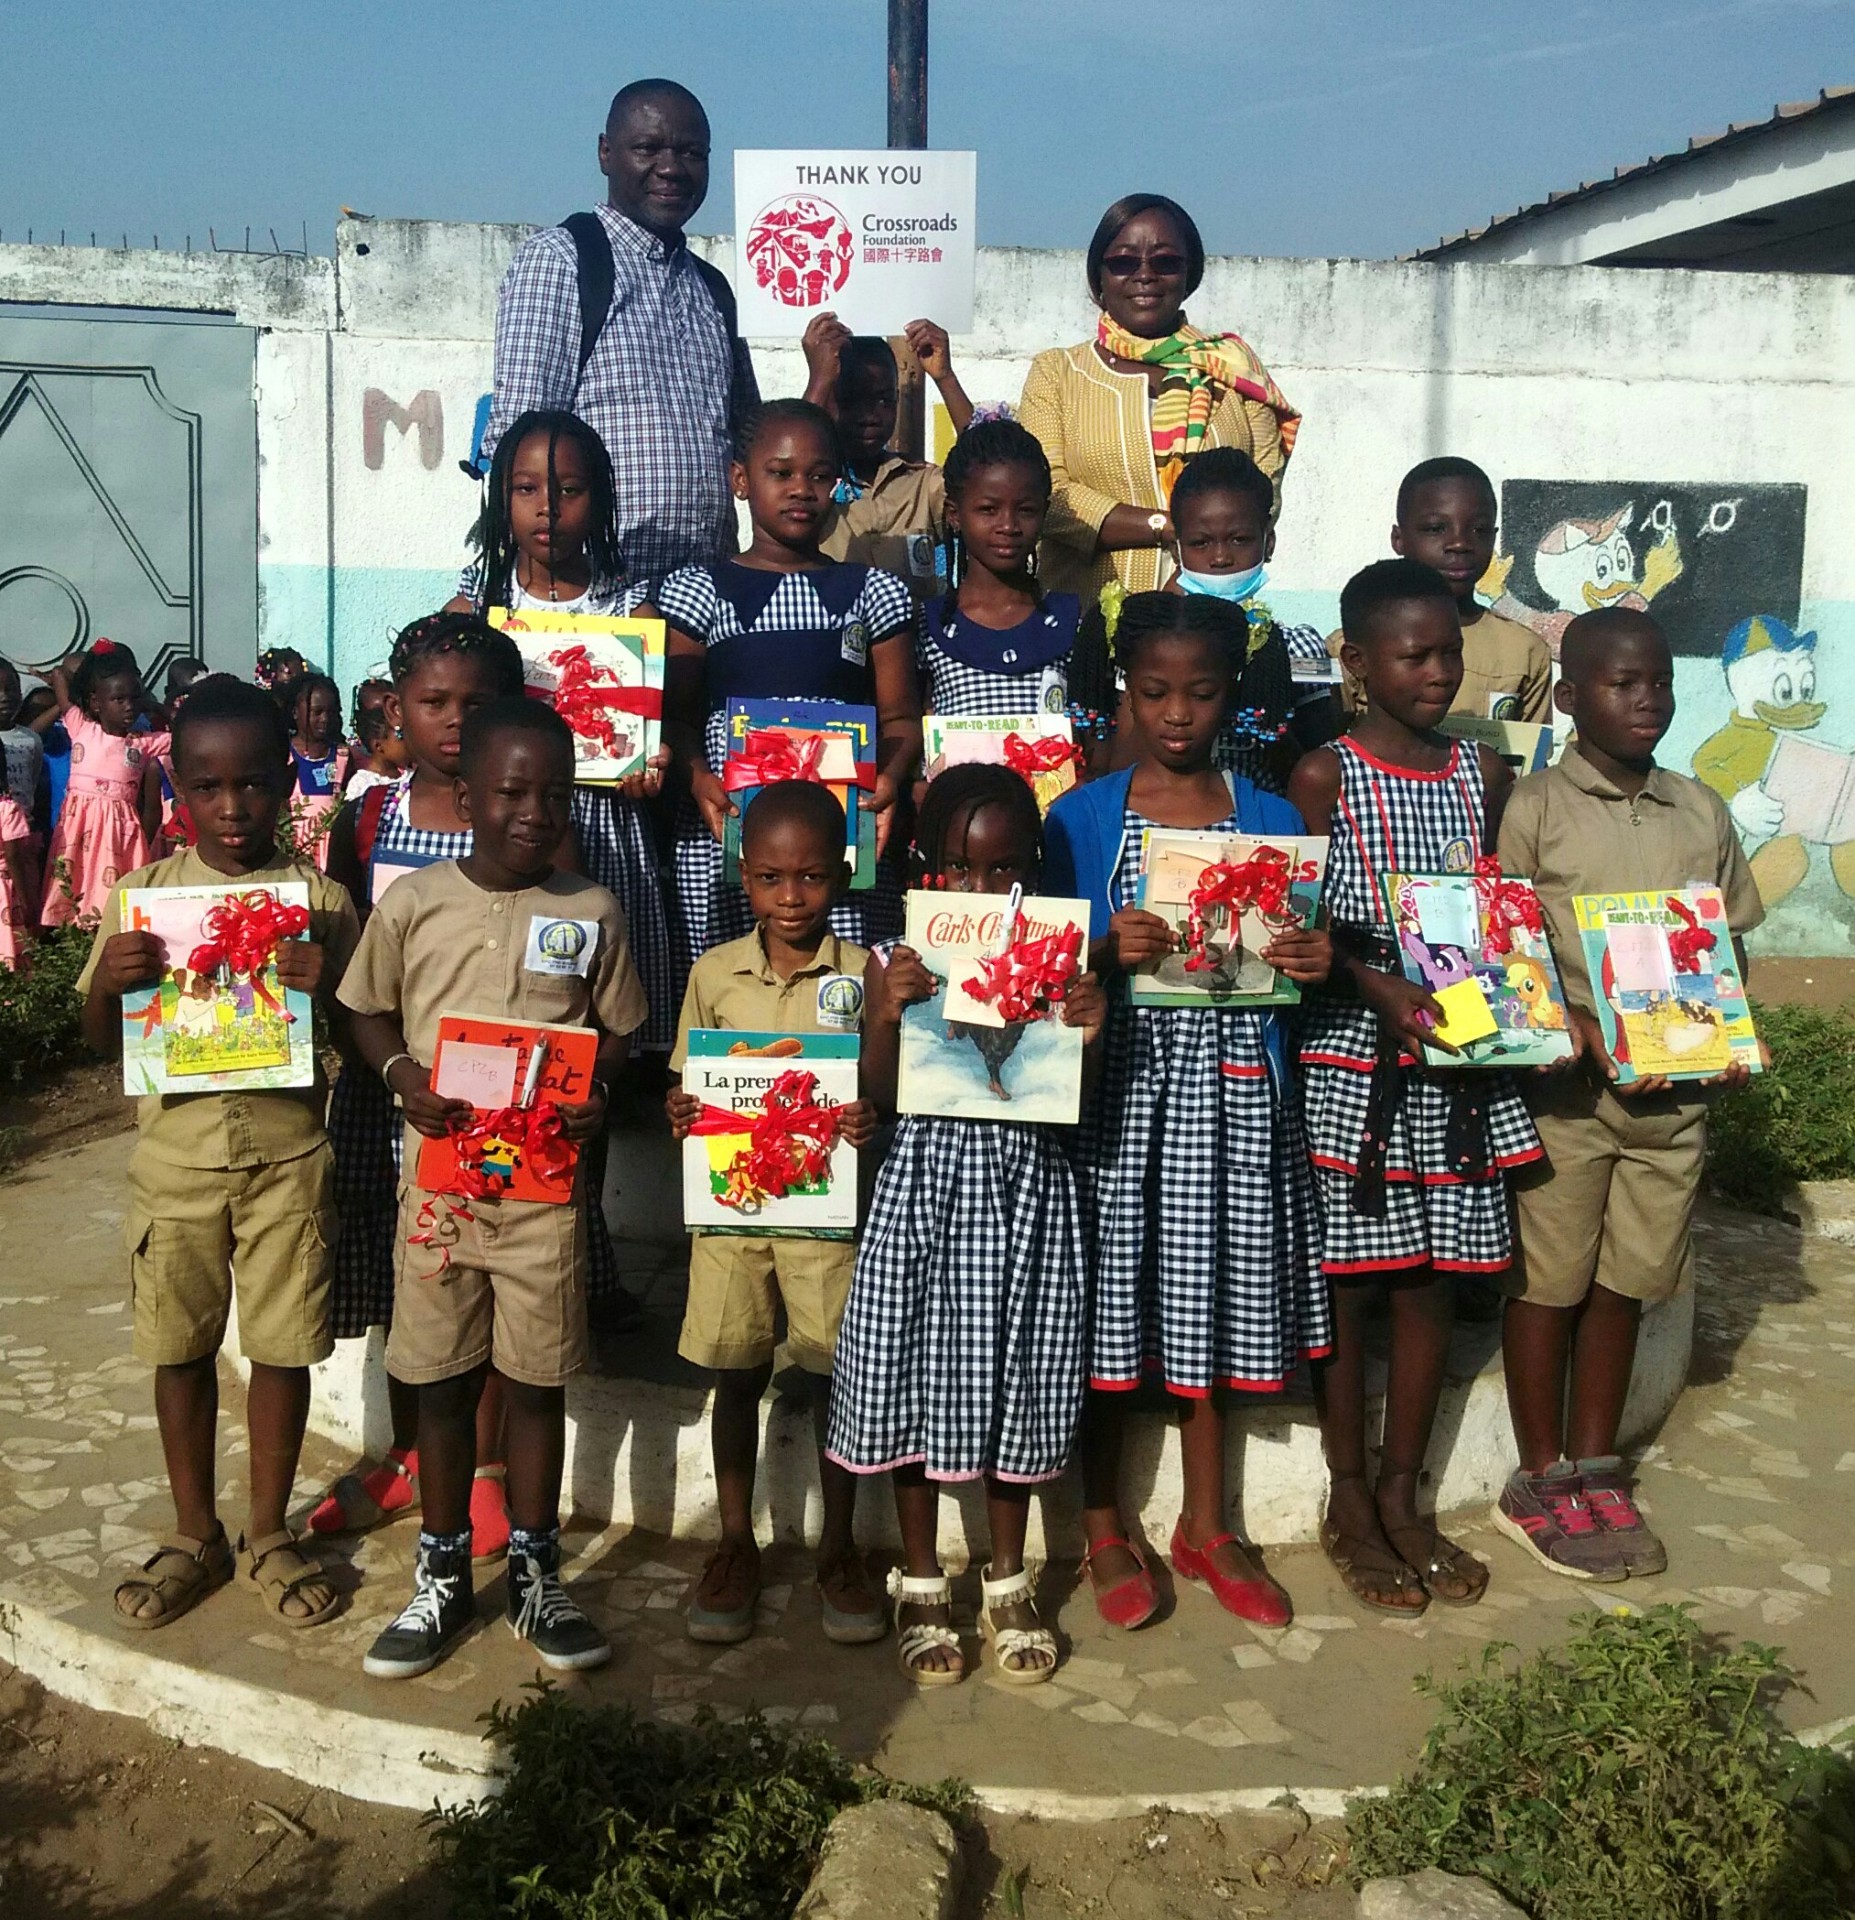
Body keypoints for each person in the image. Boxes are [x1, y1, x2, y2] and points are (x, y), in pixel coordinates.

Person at [1044, 593, 1333, 1632]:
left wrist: (1309, 957)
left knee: (1209, 1298)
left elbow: (1292, 958)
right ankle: (1104, 1521)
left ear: (1231, 695)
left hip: (1232, 1100)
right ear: (1124, 688)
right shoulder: (1078, 818)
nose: (1176, 712)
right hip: (1117, 1101)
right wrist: (1096, 955)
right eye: (1155, 690)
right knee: (1108, 1306)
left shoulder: (1266, 817)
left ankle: (1207, 1526)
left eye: (1201, 691)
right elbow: (1033, 973)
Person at [340, 698, 646, 1678]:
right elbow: (366, 1013)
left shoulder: (591, 910)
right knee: (436, 1383)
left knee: (535, 1383)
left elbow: (619, 1035)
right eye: (512, 791)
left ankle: (533, 1573)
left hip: (542, 1204)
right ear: (465, 796)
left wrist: (599, 1093)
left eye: (554, 794)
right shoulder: (414, 903)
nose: (533, 812)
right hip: (439, 1194)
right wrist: (403, 1082)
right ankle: (437, 1578)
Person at [76, 675, 358, 1631]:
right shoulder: (141, 902)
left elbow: (363, 1030)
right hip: (176, 1167)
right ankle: (197, 1530)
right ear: (177, 793)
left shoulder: (319, 903)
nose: (232, 809)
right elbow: (97, 1043)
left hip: (289, 1161)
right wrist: (108, 989)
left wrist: (331, 985)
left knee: (281, 1352)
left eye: (252, 785)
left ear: (286, 784)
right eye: (207, 787)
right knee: (180, 1348)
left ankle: (269, 1530)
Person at [1288, 559, 1541, 1616]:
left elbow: (1494, 909)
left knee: (1431, 1279)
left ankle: (1406, 1494)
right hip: (1356, 1059)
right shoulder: (1323, 777)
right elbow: (1301, 931)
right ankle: (1348, 1498)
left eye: (1449, 652)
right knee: (1354, 1282)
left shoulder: (1478, 778)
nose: (1439, 672)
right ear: (1355, 661)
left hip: (1455, 1069)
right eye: (1415, 654)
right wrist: (1369, 979)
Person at [1494, 608, 1762, 1579]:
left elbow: (1726, 940)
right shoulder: (1536, 810)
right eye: (1620, 682)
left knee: (1624, 1284)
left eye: (1657, 681)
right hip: (1564, 1102)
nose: (1645, 699)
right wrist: (1547, 1027)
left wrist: (1724, 1027)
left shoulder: (1698, 811)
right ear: (1568, 698)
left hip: (1670, 1101)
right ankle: (1536, 1475)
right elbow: (1503, 944)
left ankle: (1594, 1465)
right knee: (1548, 1283)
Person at [829, 766, 1105, 1686]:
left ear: (1033, 868)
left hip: (1030, 1192)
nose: (982, 892)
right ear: (924, 867)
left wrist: (1089, 1033)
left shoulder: (1065, 964)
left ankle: (1006, 1578)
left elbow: (1074, 1106)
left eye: (1003, 870)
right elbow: (875, 1094)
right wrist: (884, 1010)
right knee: (914, 1369)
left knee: (1019, 1368)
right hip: (925, 1192)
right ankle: (916, 1578)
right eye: (959, 869)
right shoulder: (889, 959)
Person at [316, 614, 532, 1562]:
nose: (452, 722)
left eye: (475, 705)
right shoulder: (369, 815)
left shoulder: (529, 818)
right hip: (391, 1084)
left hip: (500, 1102)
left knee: (487, 1272)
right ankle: (411, 1452)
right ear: (395, 706)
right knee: (417, 1278)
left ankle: (480, 1467)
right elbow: (343, 945)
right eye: (432, 702)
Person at [665, 780, 885, 1648]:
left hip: (826, 1216)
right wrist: (678, 1110)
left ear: (842, 872)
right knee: (735, 1373)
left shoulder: (865, 974)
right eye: (768, 879)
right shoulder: (713, 972)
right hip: (732, 1216)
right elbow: (687, 1082)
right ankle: (732, 1544)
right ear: (740, 877)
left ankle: (838, 1549)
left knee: (837, 1378)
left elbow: (884, 1082)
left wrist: (871, 1115)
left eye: (810, 880)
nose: (790, 900)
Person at [651, 399, 921, 962]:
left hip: (839, 838)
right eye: (781, 473)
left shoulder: (873, 593)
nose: (802, 489)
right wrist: (698, 777)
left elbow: (899, 717)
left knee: (842, 987)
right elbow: (674, 715)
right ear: (741, 480)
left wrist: (891, 779)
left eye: (819, 476)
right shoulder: (699, 591)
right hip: (728, 830)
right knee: (732, 982)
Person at [450, 408, 678, 1055]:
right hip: (506, 831)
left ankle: (604, 1098)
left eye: (569, 490)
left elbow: (659, 731)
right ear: (501, 497)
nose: (546, 508)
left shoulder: (630, 612)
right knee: (512, 993)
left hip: (606, 827)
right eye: (526, 489)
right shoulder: (477, 605)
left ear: (600, 500)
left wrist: (651, 757)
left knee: (599, 993)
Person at [483, 79, 758, 579]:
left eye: (692, 152)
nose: (672, 168)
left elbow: (750, 449)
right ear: (606, 153)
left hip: (704, 598)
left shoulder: (713, 289)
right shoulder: (562, 262)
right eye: (648, 149)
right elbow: (520, 449)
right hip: (600, 598)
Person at [1019, 195, 1300, 602]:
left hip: (1214, 622)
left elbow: (1262, 497)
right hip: (1085, 622)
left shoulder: (1235, 371)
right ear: (1099, 276)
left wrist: (1198, 567)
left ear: (1190, 275)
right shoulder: (1057, 373)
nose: (1145, 275)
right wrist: (1170, 527)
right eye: (1124, 262)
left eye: (1165, 262)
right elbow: (1048, 496)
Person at [1071, 447, 1338, 790]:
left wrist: (1263, 703)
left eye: (1240, 540)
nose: (1221, 557)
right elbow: (1111, 764)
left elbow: (1316, 765)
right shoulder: (1139, 638)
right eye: (1200, 543)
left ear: (1268, 543)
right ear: (1177, 549)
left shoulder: (1294, 645)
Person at [1329, 459, 1552, 728]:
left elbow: (1531, 758)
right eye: (1436, 529)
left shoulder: (1524, 650)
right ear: (1398, 539)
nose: (1459, 544)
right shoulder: (1351, 644)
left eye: (1479, 530)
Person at [915, 418, 1081, 723]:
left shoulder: (1070, 622)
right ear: (954, 514)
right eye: (988, 510)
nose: (1008, 526)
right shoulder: (928, 626)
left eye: (1025, 511)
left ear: (1043, 514)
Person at [804, 319, 974, 601]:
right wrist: (819, 381)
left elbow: (990, 466)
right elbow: (788, 453)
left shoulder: (920, 484)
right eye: (850, 399)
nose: (869, 416)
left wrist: (945, 378)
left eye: (884, 400)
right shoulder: (812, 488)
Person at [42, 641, 168, 927]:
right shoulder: (80, 725)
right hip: (78, 828)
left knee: (114, 902)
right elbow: (60, 676)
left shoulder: (145, 742)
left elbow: (185, 734)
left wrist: (153, 705)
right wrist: (90, 666)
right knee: (74, 886)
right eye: (119, 699)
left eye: (135, 699)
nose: (129, 706)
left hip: (118, 832)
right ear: (96, 702)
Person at [287, 673, 350, 867]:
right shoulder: (282, 755)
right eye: (317, 712)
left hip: (334, 857)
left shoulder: (344, 757)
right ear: (296, 712)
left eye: (331, 712)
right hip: (293, 854)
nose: (325, 719)